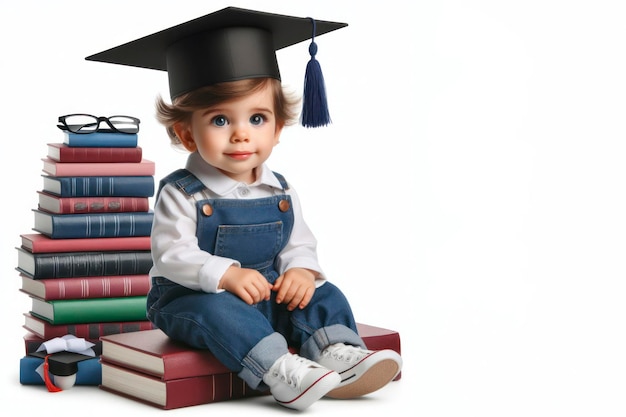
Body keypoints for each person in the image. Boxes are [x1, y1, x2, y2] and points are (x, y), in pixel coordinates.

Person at [86, 7, 402, 411]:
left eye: (257, 118)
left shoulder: (282, 189)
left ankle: (336, 352)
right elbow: (171, 255)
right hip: (190, 298)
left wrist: (301, 271)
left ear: (278, 128)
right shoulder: (182, 192)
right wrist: (226, 274)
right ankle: (279, 371)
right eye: (219, 119)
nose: (240, 133)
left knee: (323, 291)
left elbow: (297, 243)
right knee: (220, 312)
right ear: (186, 133)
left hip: (265, 292)